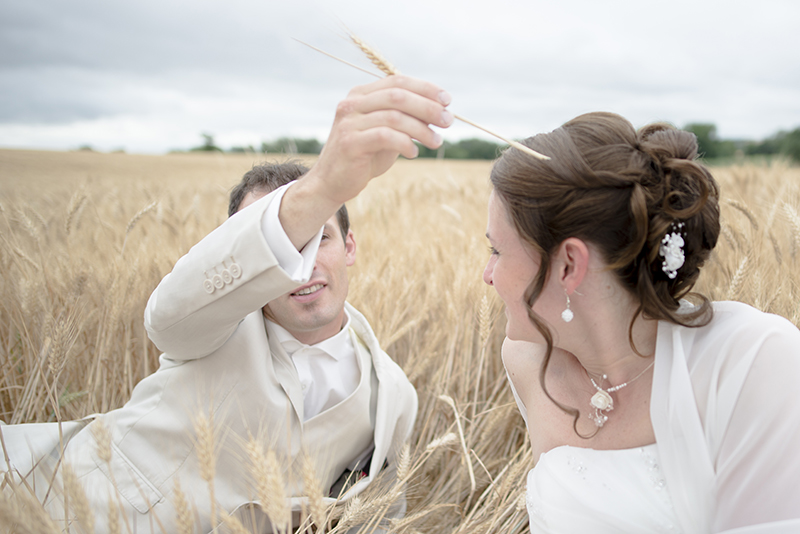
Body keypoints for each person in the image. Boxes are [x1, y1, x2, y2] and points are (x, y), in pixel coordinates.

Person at [1, 75, 455, 533]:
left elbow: (377, 516)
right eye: (286, 243)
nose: (302, 268)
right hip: (42, 502)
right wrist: (320, 189)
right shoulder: (209, 322)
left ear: (350, 247)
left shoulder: (393, 395)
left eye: (318, 238)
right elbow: (165, 318)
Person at [482, 112, 800, 532]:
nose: (488, 274)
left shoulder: (753, 359)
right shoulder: (527, 361)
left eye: (497, 251)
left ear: (569, 265)